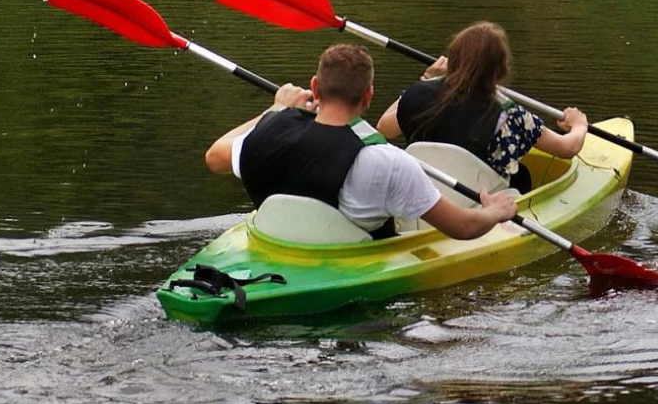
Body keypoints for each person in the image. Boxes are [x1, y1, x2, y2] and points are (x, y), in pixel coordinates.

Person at [205, 44, 517, 240]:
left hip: (278, 247)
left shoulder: (267, 135)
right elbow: (463, 228)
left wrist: (275, 110)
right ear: (368, 96)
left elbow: (214, 157)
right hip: (348, 265)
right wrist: (495, 212)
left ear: (315, 86)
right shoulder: (388, 162)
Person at [376, 21, 589, 193]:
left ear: (452, 61)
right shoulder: (510, 115)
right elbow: (567, 148)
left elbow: (384, 128)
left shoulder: (416, 95)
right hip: (483, 207)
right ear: (501, 70)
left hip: (428, 202)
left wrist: (426, 79)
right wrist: (579, 124)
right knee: (521, 175)